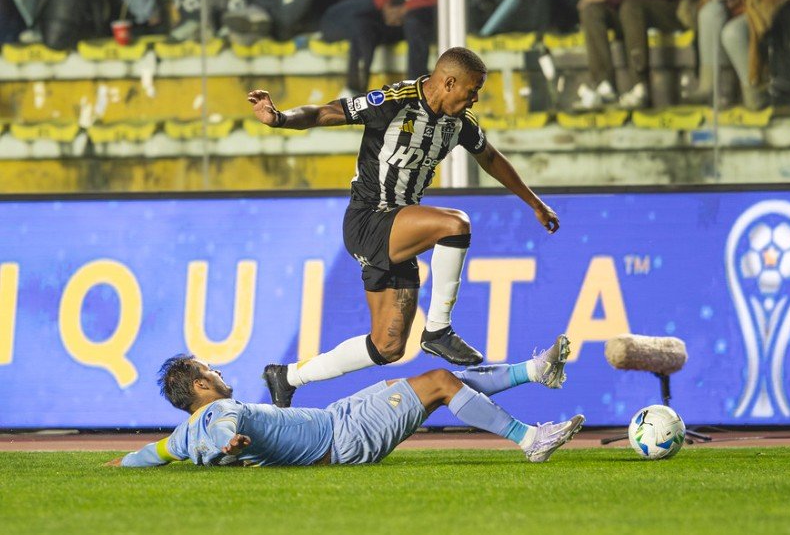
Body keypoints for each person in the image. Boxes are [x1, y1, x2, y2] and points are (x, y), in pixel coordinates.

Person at [247, 47, 561, 408]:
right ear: (448, 82)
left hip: (399, 229)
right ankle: (439, 329)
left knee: (388, 346)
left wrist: (534, 202)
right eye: (472, 90)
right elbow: (324, 112)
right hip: (370, 218)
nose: (475, 97)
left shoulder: (460, 122)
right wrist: (280, 118)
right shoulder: (395, 101)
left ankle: (287, 377)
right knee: (454, 224)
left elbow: (489, 156)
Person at [106, 335, 584, 467]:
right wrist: (229, 444)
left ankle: (533, 372)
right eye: (211, 371)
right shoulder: (218, 415)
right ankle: (529, 439)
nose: (219, 373)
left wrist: (121, 464)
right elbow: (224, 428)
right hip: (343, 436)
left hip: (339, 419)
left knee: (439, 384)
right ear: (200, 387)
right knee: (438, 381)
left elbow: (154, 453)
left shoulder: (185, 434)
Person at [575, 0, 685, 109]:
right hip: (626, 6)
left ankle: (639, 87)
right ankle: (604, 86)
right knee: (591, 10)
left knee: (631, 7)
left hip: (667, 8)